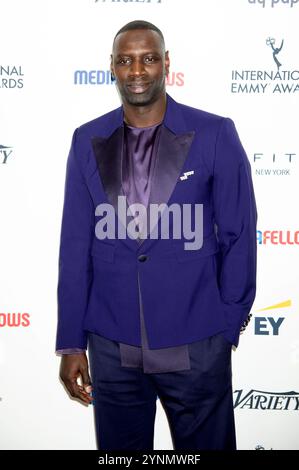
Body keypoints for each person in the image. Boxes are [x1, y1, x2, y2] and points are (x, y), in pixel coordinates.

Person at [55, 20, 257, 450]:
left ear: (166, 63)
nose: (137, 70)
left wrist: (227, 325)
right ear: (112, 67)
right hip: (113, 348)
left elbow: (238, 233)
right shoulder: (86, 139)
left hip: (197, 342)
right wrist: (72, 342)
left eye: (148, 58)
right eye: (125, 60)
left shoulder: (215, 133)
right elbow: (75, 246)